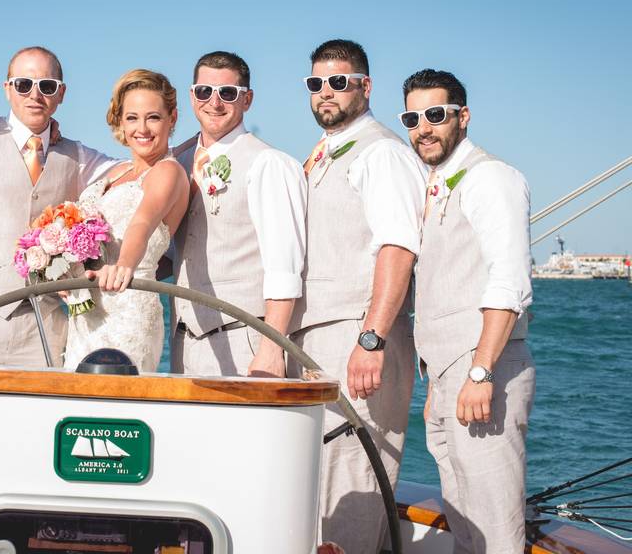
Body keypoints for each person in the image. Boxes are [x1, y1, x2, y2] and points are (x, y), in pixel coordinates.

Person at [288, 39, 425, 553]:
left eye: (339, 82)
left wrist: (371, 338)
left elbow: (398, 247)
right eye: (316, 83)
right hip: (316, 341)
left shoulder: (383, 153)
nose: (327, 92)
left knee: (354, 479)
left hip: (356, 338)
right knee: (320, 483)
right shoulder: (324, 152)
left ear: (365, 87)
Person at [404, 68, 534, 553]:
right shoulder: (438, 181)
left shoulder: (491, 177)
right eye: (413, 117)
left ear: (463, 116)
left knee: (493, 527)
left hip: (484, 370)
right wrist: (440, 382)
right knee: (463, 520)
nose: (424, 127)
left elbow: (509, 280)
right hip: (448, 375)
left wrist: (480, 372)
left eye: (435, 115)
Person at [0, 46, 115, 365]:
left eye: (46, 86)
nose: (35, 95)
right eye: (23, 84)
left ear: (61, 94)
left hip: (45, 326)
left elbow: (137, 167)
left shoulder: (79, 157)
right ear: (7, 89)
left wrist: (188, 148)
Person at [172, 51, 307, 377]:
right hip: (182, 340)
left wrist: (272, 349)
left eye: (228, 93)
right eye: (205, 91)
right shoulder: (177, 162)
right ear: (192, 96)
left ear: (247, 99)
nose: (214, 102)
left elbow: (284, 265)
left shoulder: (269, 164)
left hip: (244, 339)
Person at [63, 69, 189, 371]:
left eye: (153, 117)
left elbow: (142, 223)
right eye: (132, 117)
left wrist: (124, 268)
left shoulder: (167, 171)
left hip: (128, 307)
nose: (142, 128)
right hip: (86, 313)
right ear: (120, 120)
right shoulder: (115, 172)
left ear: (171, 118)